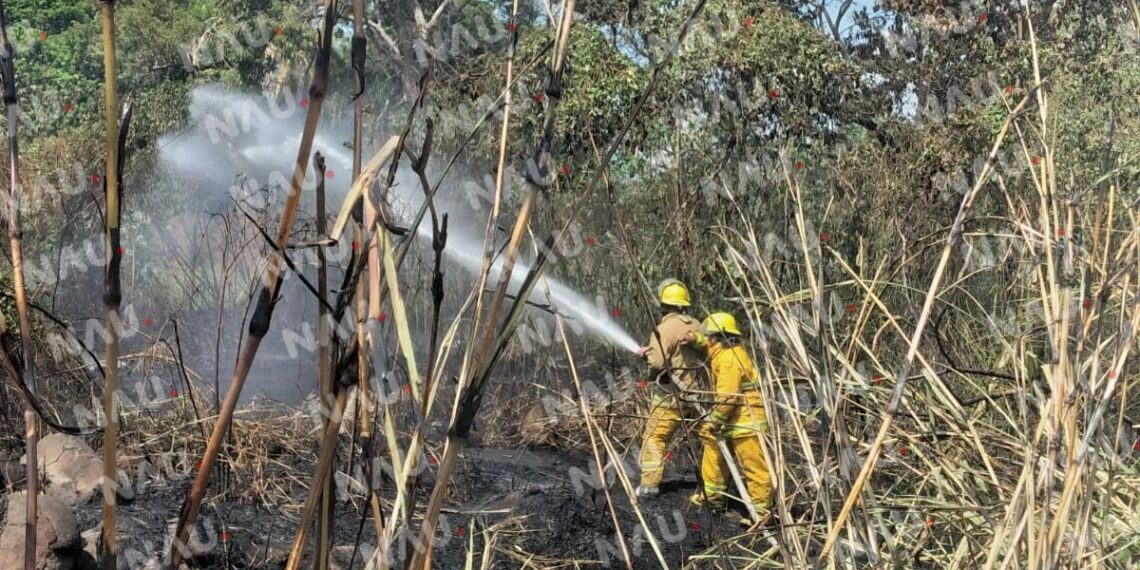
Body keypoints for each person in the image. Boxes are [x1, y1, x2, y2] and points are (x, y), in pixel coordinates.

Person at [688, 311, 773, 526]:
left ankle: (761, 514)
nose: (706, 340)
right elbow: (706, 345)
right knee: (713, 450)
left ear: (716, 337)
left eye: (708, 336)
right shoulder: (724, 351)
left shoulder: (730, 360)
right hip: (732, 419)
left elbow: (728, 398)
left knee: (753, 467)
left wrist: (713, 421)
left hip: (746, 421)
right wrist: (693, 338)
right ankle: (712, 499)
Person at [633, 279, 706, 499]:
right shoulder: (697, 325)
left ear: (663, 305)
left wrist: (646, 355)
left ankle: (649, 485)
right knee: (706, 438)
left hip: (670, 396)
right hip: (700, 395)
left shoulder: (664, 329)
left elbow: (657, 363)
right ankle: (711, 484)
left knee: (654, 436)